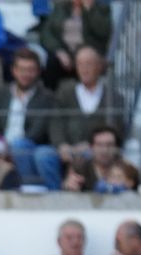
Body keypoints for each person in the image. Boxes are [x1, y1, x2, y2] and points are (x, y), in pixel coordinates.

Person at [0, 49, 59, 189]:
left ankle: (27, 187)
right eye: (22, 69)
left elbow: (37, 132)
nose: (26, 74)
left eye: (31, 70)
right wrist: (1, 145)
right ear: (14, 71)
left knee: (21, 146)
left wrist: (10, 148)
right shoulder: (0, 93)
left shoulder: (47, 97)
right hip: (2, 144)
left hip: (31, 146)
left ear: (38, 72)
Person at [50, 46, 115, 175]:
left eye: (88, 64)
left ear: (99, 67)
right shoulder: (65, 92)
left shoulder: (112, 96)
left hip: (94, 148)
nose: (84, 69)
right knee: (43, 155)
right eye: (80, 64)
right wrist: (62, 145)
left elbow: (114, 128)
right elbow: (56, 122)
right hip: (66, 148)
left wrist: (90, 145)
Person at [39, 0, 110, 90]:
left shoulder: (101, 9)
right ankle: (51, 97)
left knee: (85, 63)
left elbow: (103, 31)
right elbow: (47, 33)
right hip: (64, 51)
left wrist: (89, 10)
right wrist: (59, 51)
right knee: (52, 63)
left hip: (87, 52)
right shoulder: (60, 8)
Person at [61, 123, 120, 192]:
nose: (104, 150)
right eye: (99, 145)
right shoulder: (79, 168)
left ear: (116, 147)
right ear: (91, 147)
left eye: (109, 145)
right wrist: (67, 186)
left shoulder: (125, 169)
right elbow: (65, 188)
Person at [34, 217, 107, 255]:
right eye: (69, 238)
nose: (75, 242)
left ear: (85, 240)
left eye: (79, 237)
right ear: (59, 242)